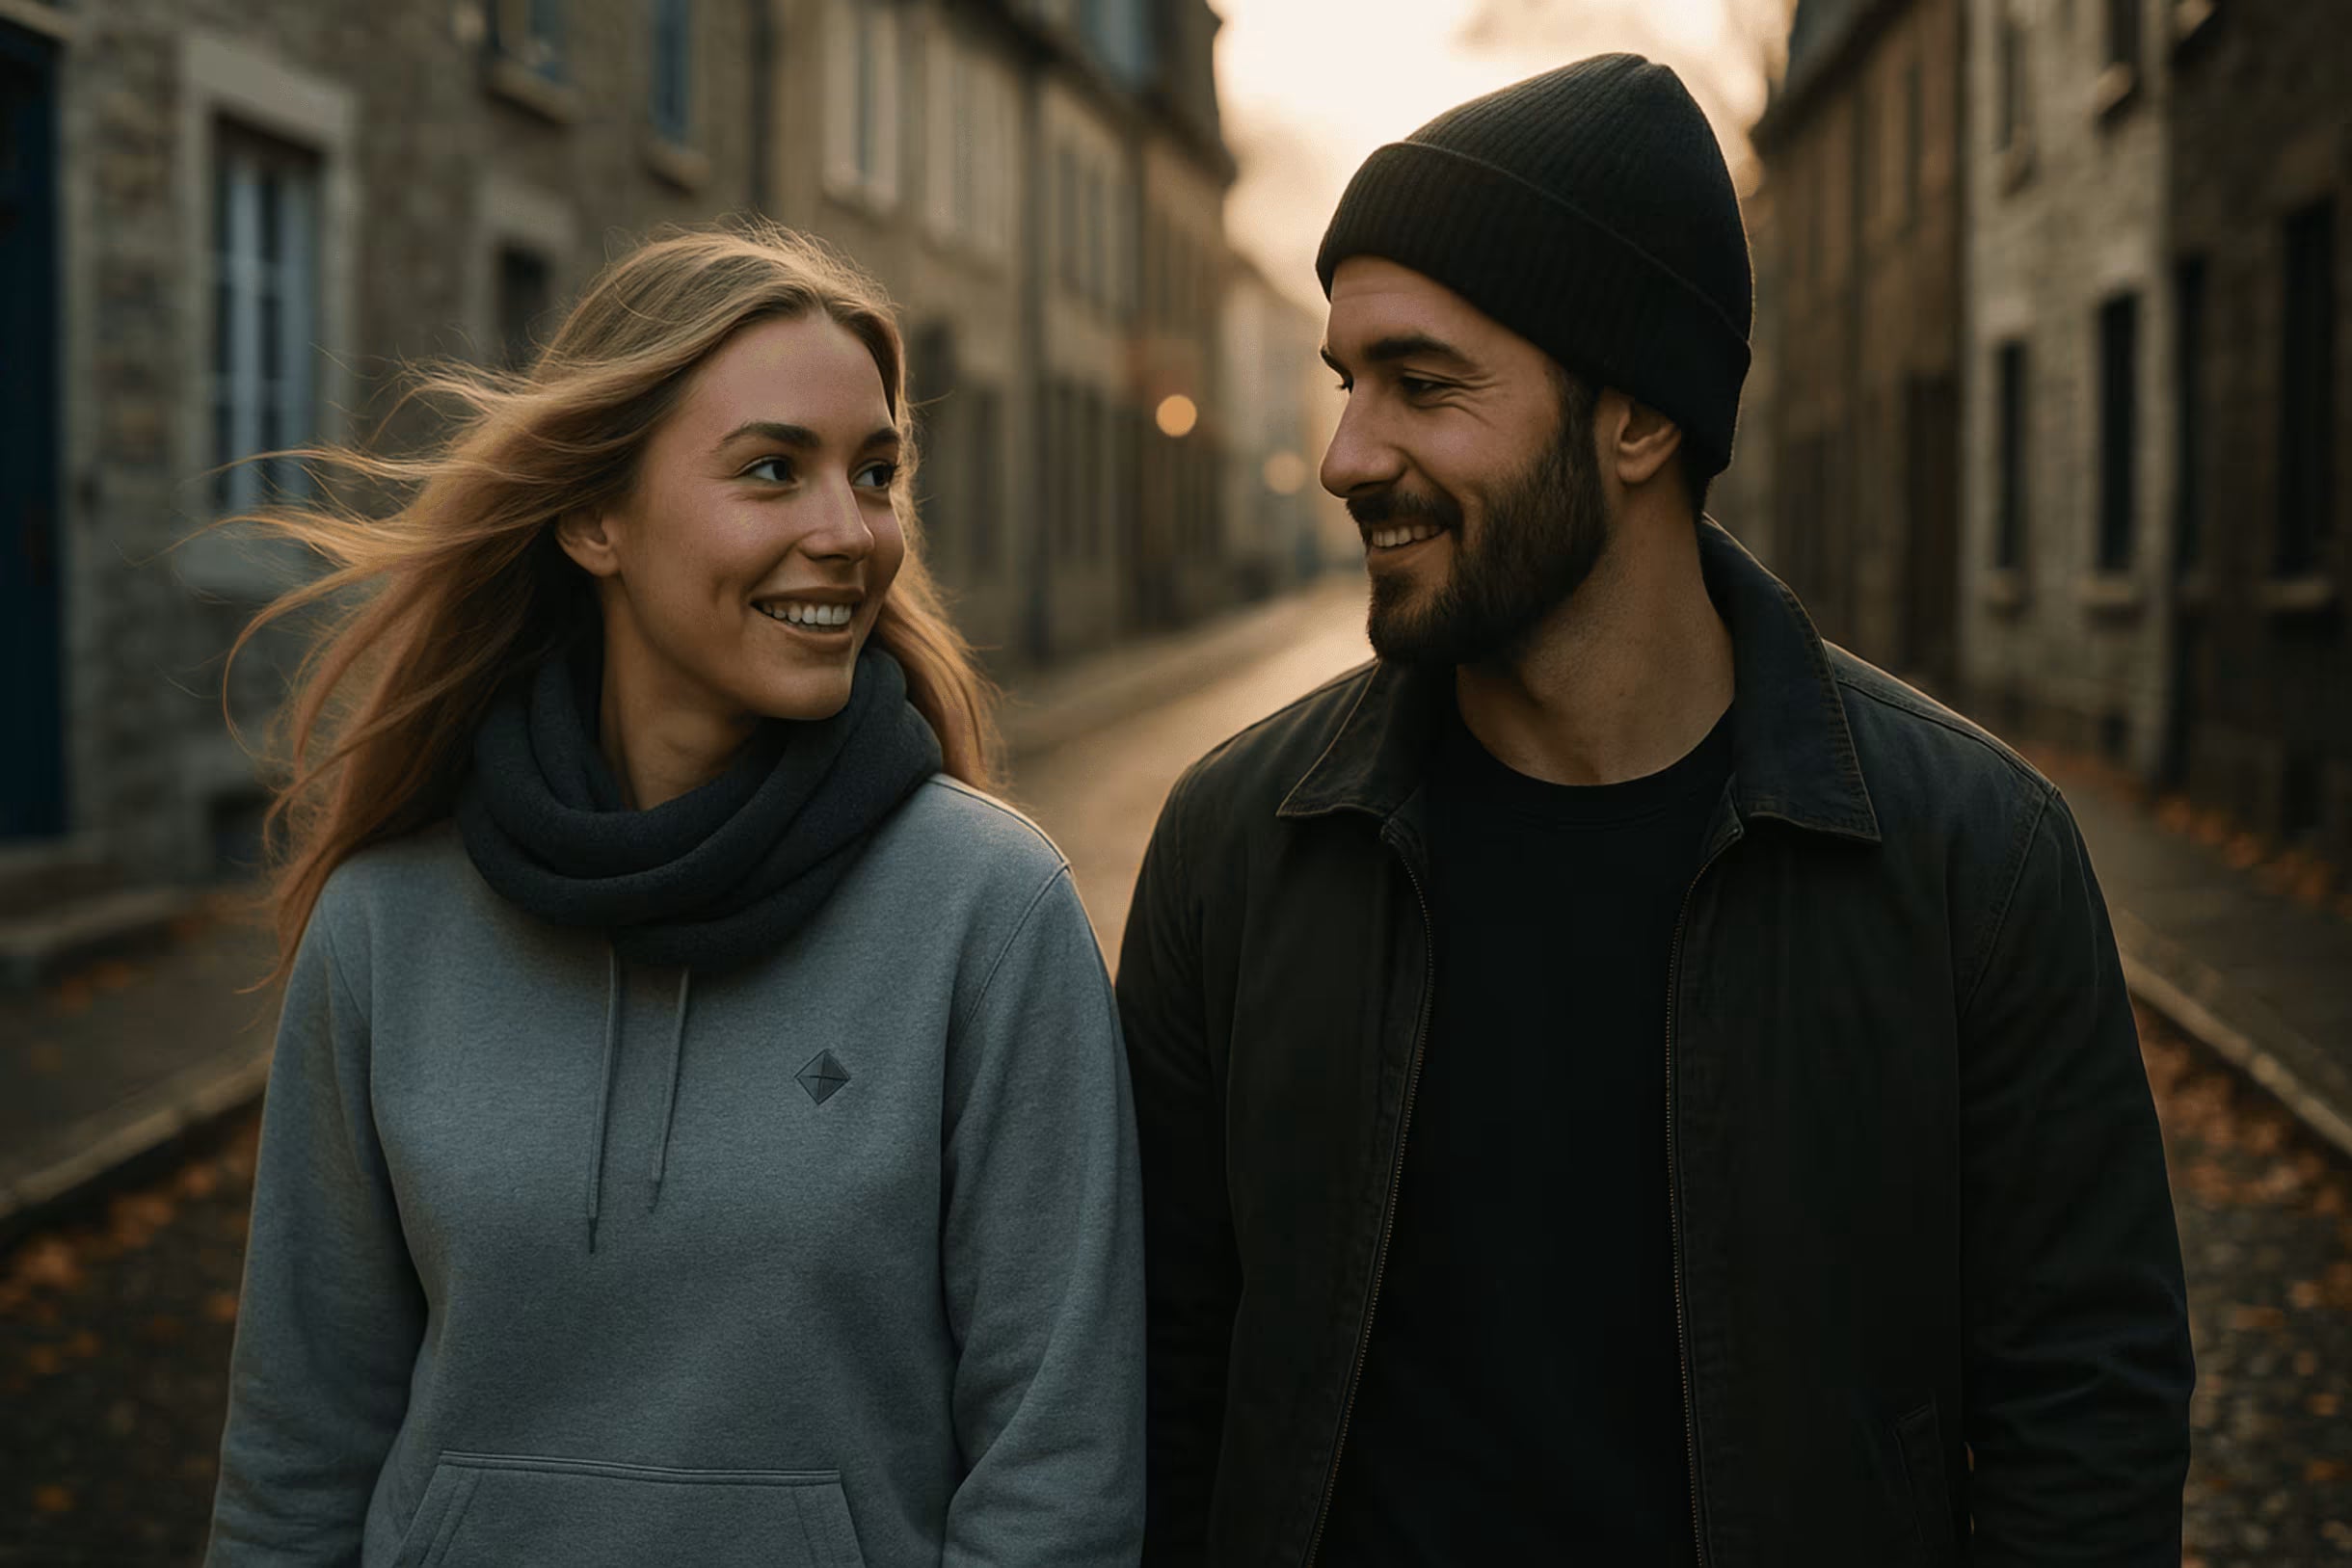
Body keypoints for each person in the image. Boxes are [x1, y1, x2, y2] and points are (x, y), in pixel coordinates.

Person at [1116, 54, 2193, 1566]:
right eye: (1348, 382)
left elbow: (2087, 1415)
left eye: (1424, 383)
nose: (1349, 456)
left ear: (1637, 419)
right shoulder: (1240, 851)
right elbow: (1155, 1391)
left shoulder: (1975, 858)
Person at [204, 224, 1143, 1566]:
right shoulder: (384, 924)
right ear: (596, 518)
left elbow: (1058, 1476)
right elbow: (295, 1460)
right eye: (772, 469)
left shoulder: (989, 916)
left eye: (876, 474)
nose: (850, 533)